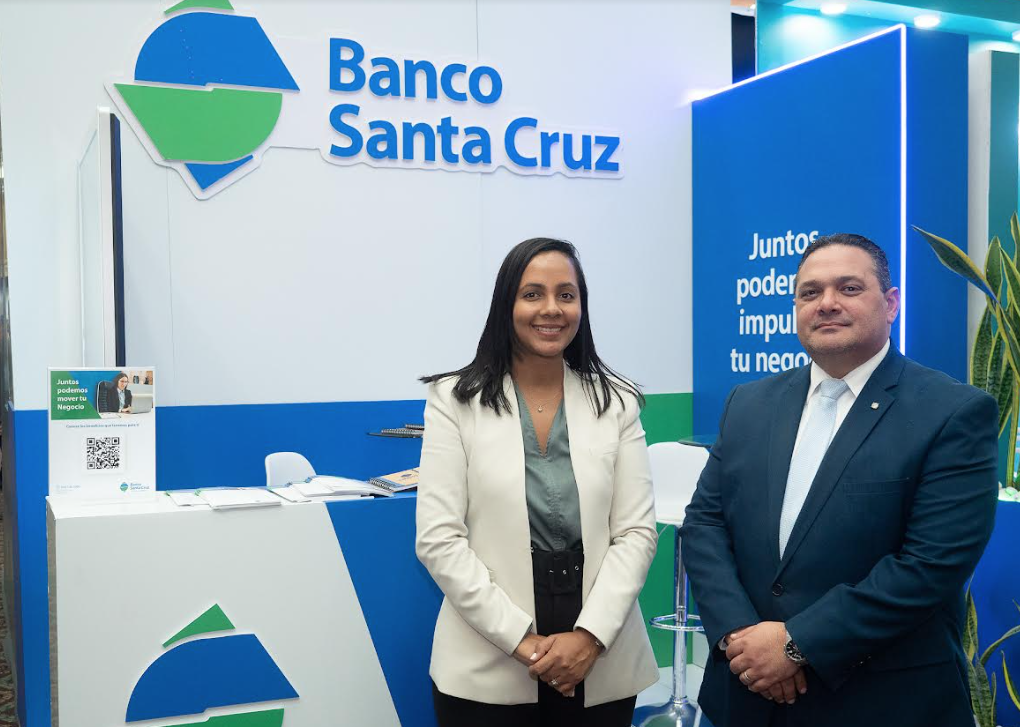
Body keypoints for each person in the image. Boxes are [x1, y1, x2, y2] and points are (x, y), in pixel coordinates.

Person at [680, 233, 998, 727]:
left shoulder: (953, 413)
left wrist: (796, 644)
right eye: (810, 292)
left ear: (891, 304)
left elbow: (930, 566)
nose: (826, 303)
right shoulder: (748, 403)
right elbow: (704, 523)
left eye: (849, 288)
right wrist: (741, 637)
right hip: (746, 694)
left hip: (881, 701)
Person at [416, 237, 659, 727]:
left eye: (566, 295)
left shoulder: (618, 401)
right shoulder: (454, 400)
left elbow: (636, 533)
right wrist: (523, 642)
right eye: (533, 294)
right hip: (488, 649)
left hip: (599, 646)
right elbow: (438, 539)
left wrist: (588, 638)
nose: (551, 309)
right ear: (506, 304)